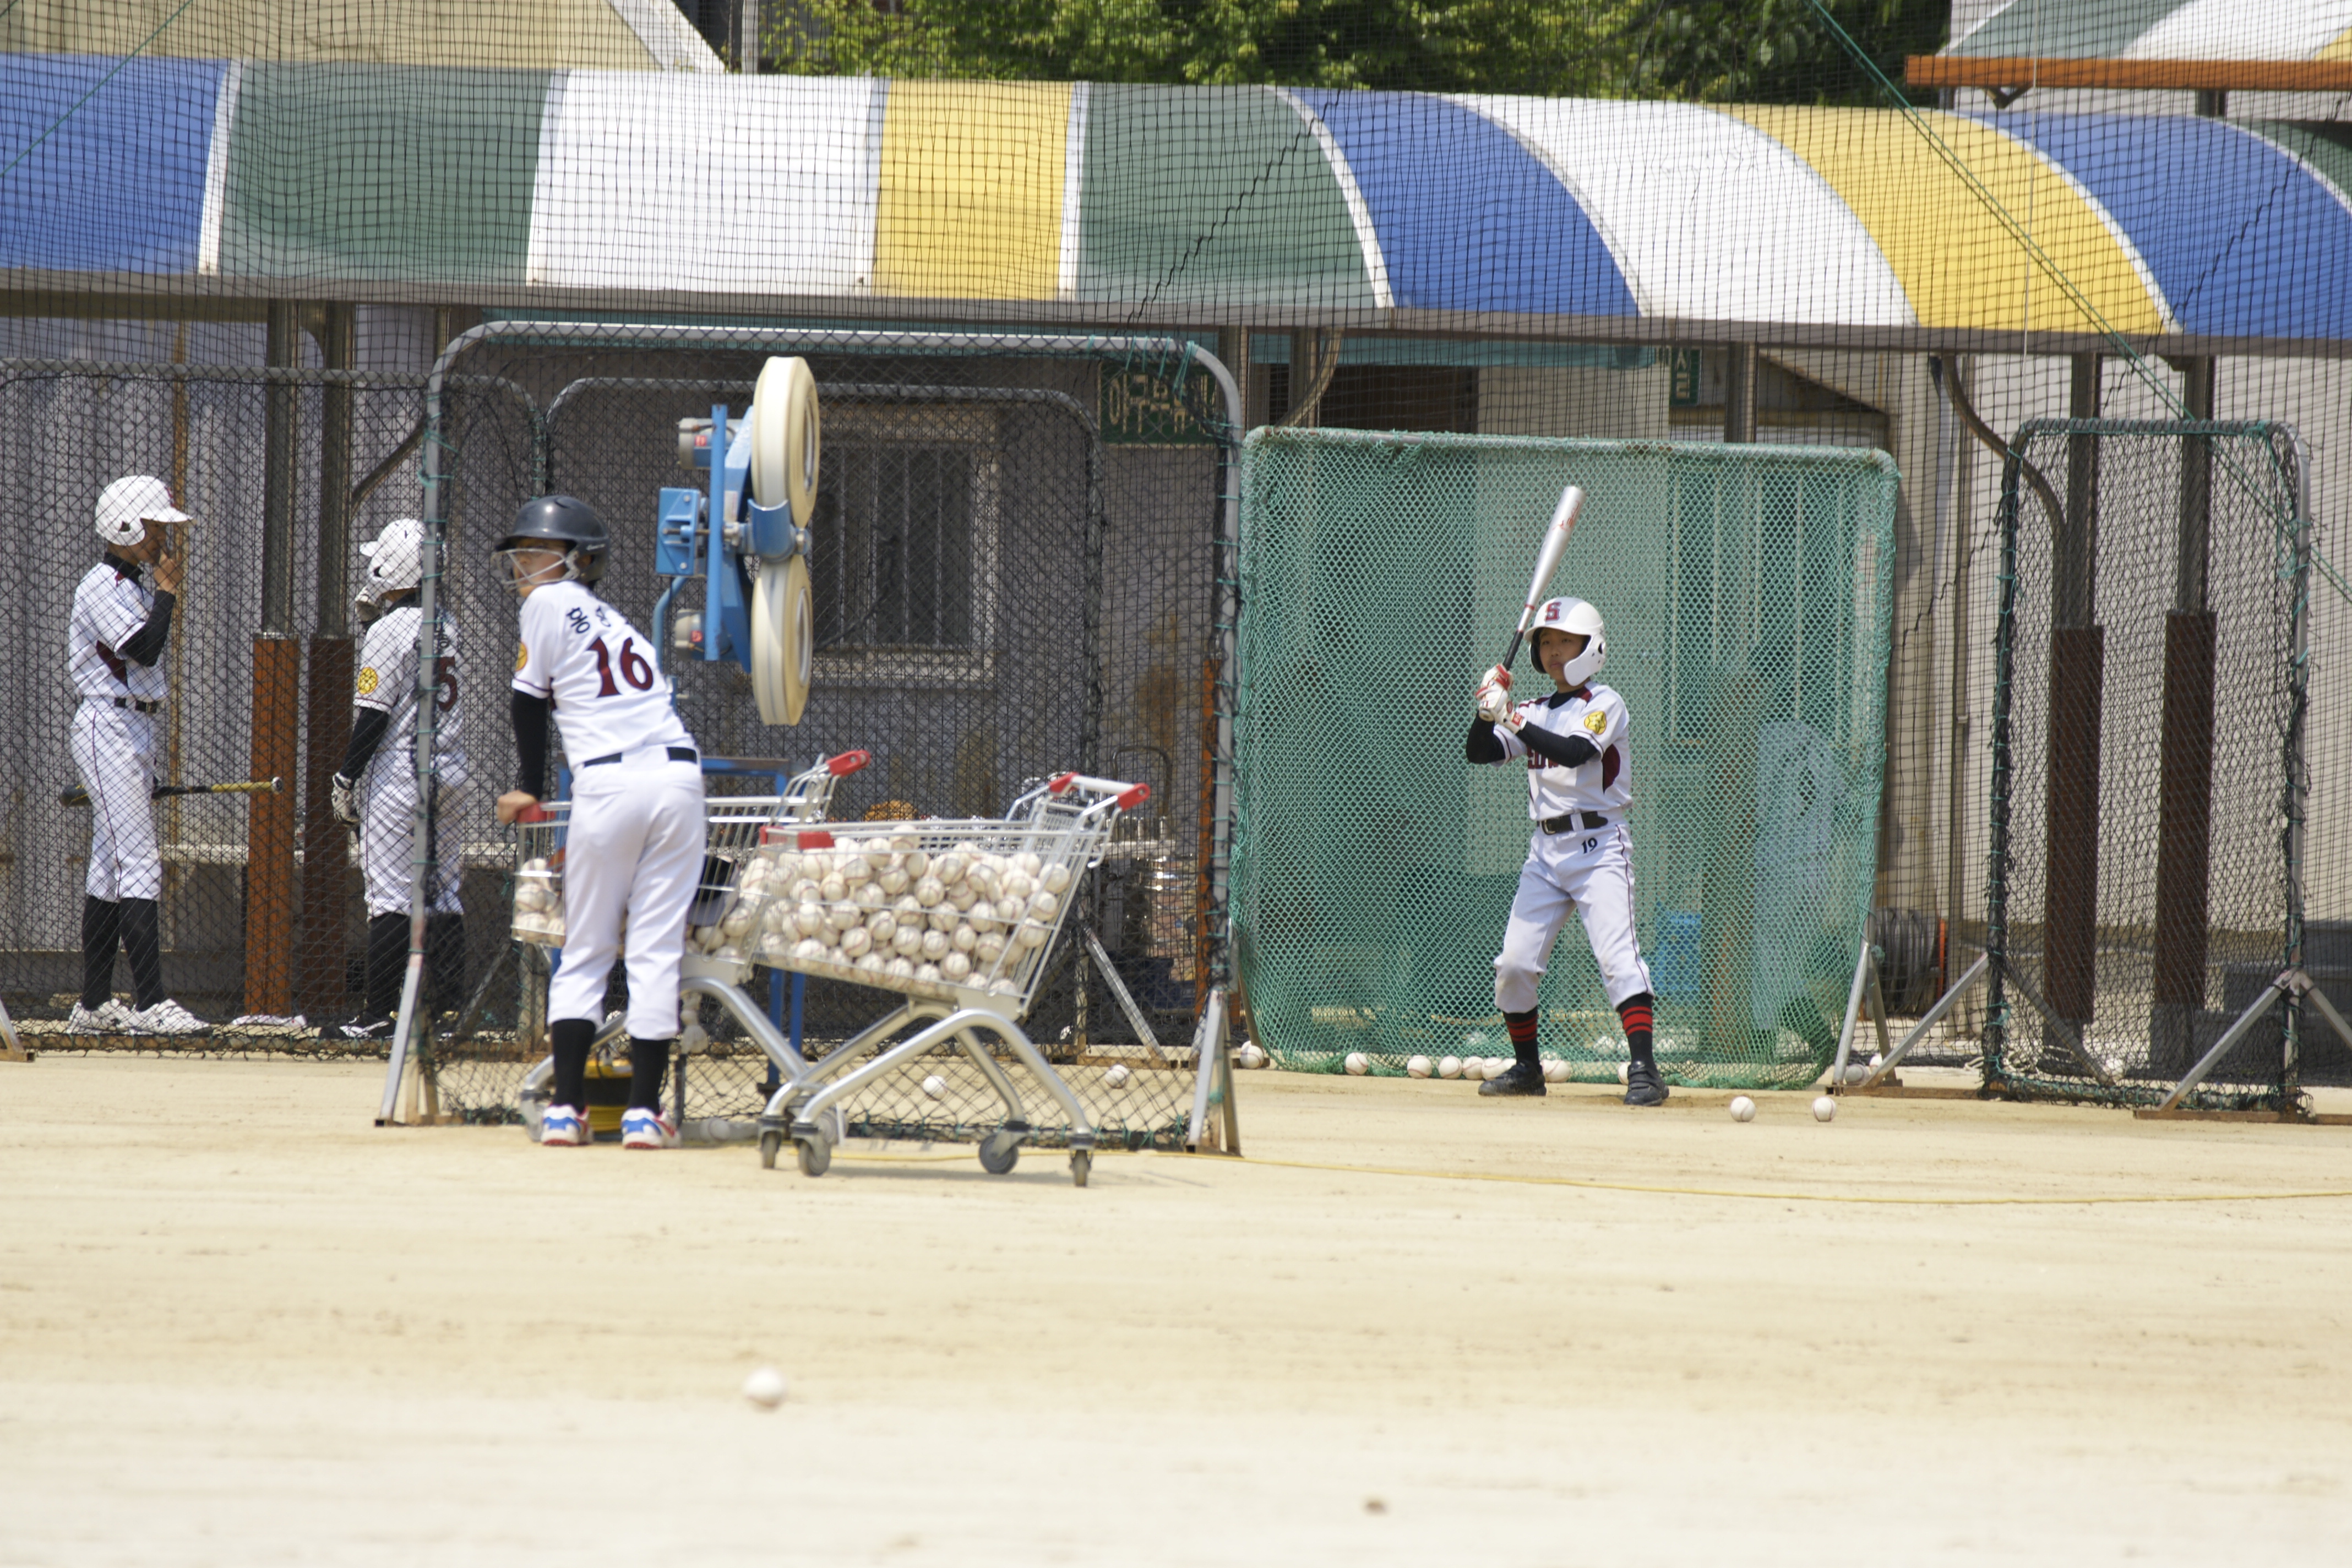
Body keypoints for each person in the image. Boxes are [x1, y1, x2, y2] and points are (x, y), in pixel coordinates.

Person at [492, 495, 704, 1149]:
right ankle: (643, 1114)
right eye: (522, 552)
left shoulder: (547, 602)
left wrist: (529, 786)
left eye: (539, 551)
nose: (525, 564)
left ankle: (566, 1110)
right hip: (678, 780)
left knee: (585, 949)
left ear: (579, 560)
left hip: (610, 785)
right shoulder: (619, 624)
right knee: (655, 951)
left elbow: (528, 702)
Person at [1466, 596, 1663, 1104]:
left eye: (1566, 642)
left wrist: (1509, 717)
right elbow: (1479, 752)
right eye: (1547, 642)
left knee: (1618, 958)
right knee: (1514, 964)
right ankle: (1528, 1069)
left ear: (1591, 647)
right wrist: (1486, 711)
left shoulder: (1605, 703)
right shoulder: (1533, 710)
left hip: (1600, 847)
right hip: (1545, 851)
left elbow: (1575, 753)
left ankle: (1645, 1070)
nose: (1554, 651)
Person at [66, 475, 206, 1035]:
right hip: (108, 724)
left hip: (131, 726)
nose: (162, 539)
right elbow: (144, 649)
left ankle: (93, 1004)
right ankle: (151, 1003)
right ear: (124, 526)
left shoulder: (132, 588)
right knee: (140, 861)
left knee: (108, 867)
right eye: (152, 527)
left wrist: (161, 593)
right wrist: (169, 592)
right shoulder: (102, 585)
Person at [329, 518, 467, 1039]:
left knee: (389, 896)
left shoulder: (389, 631)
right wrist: (375, 625)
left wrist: (346, 778)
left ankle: (377, 1017)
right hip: (450, 772)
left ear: (392, 568)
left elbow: (374, 715)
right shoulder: (448, 623)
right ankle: (448, 1016)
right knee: (444, 894)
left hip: (400, 776)